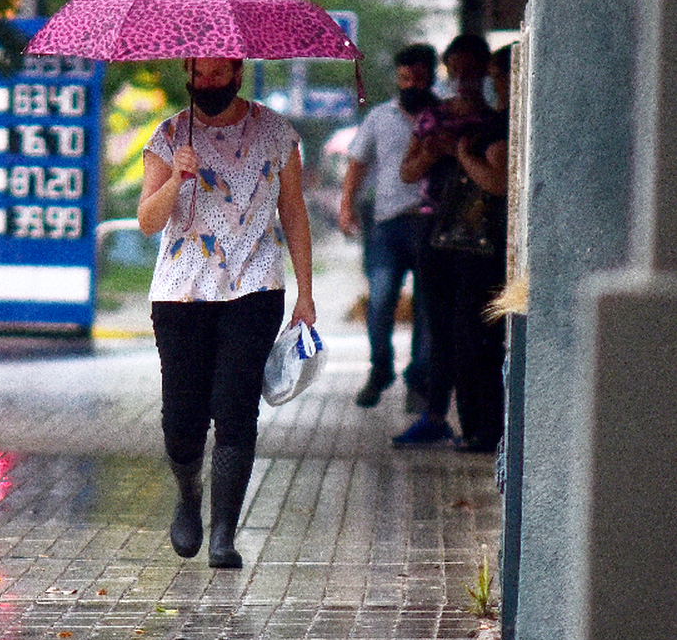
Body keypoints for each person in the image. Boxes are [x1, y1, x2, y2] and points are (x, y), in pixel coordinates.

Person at [138, 57, 315, 569]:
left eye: (219, 74)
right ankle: (188, 495)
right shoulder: (168, 135)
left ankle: (223, 534)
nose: (208, 84)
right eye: (200, 75)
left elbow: (295, 213)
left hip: (254, 286)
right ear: (187, 75)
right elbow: (148, 221)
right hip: (181, 292)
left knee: (236, 409)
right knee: (182, 419)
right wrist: (177, 177)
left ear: (238, 72)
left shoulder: (276, 134)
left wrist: (305, 294)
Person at [393, 35, 508, 451]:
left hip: (479, 234)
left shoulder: (496, 121)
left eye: (472, 69)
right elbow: (407, 172)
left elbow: (498, 178)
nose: (463, 78)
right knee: (438, 327)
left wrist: (459, 154)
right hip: (433, 228)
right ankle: (438, 413)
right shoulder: (432, 117)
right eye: (455, 69)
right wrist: (431, 153)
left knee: (469, 328)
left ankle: (474, 422)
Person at [338, 44, 438, 410]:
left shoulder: (443, 116)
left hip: (431, 224)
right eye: (404, 79)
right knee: (380, 301)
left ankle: (419, 380)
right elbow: (357, 163)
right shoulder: (380, 118)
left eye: (418, 78)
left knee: (427, 306)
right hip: (386, 226)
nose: (411, 85)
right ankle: (380, 368)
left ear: (430, 75)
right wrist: (346, 206)